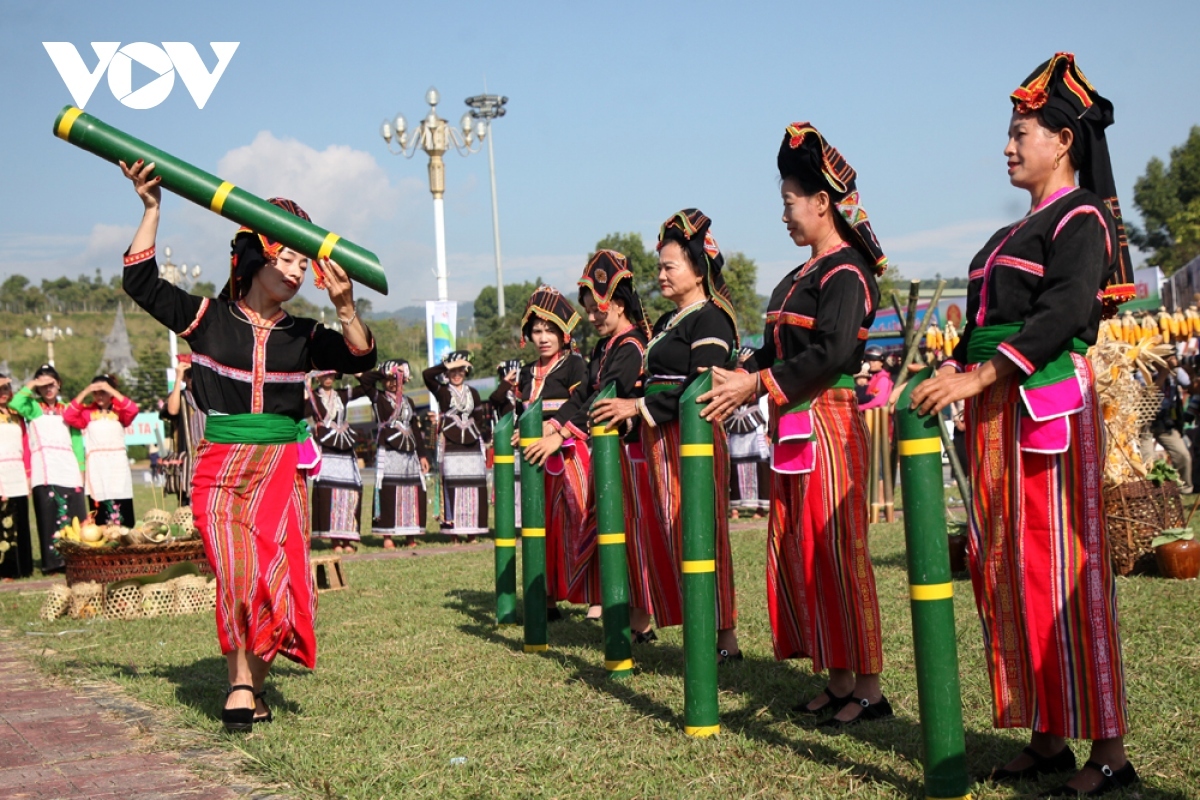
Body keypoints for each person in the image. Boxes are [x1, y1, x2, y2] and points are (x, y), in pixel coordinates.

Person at [911, 54, 1137, 795]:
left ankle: (1108, 754)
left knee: (1068, 569)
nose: (1008, 147)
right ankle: (1047, 735)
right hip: (997, 410)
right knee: (1009, 570)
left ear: (1063, 140)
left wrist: (979, 373)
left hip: (1043, 408)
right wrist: (956, 371)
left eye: (1020, 133)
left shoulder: (1082, 219)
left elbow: (1067, 313)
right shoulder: (1023, 227)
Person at [119, 157, 376, 732]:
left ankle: (249, 687)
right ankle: (240, 684)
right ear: (257, 255)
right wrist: (152, 207)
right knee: (236, 572)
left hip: (281, 469)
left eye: (303, 262)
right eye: (287, 256)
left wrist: (345, 308)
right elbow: (141, 281)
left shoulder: (306, 335)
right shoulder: (207, 319)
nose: (296, 269)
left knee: (271, 577)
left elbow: (363, 358)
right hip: (220, 467)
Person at [700, 123, 889, 728]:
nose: (783, 214)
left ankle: (869, 687)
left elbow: (833, 353)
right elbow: (772, 349)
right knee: (802, 550)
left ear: (822, 202)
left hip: (830, 422)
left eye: (789, 202)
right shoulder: (798, 278)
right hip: (794, 426)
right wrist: (743, 370)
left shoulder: (847, 275)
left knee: (840, 550)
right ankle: (836, 679)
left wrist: (757, 384)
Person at [593, 209, 741, 661]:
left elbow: (700, 387)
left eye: (669, 265)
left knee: (702, 529)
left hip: (692, 439)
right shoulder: (669, 323)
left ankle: (724, 638)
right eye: (658, 266)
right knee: (675, 528)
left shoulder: (710, 318)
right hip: (662, 438)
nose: (659, 274)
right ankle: (696, 625)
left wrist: (636, 407)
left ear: (698, 270)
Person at [492, 287, 594, 617]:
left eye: (550, 329)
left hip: (569, 454)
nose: (543, 337)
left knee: (579, 520)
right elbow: (509, 410)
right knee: (541, 525)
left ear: (564, 333)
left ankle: (596, 598)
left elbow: (583, 405)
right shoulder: (524, 373)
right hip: (536, 459)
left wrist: (550, 428)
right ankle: (547, 598)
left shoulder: (576, 365)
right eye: (537, 330)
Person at [10, 364, 86, 575]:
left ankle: (76, 560)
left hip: (68, 466)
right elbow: (16, 403)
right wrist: (33, 383)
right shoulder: (33, 407)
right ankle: (52, 563)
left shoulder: (67, 408)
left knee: (74, 515)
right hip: (45, 468)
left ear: (59, 384)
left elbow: (77, 440)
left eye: (51, 383)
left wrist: (81, 469)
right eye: (43, 385)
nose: (48, 389)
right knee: (48, 515)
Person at [424, 352, 490, 542]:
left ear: (466, 371)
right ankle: (453, 531)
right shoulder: (442, 391)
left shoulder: (474, 393)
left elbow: (478, 419)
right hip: (451, 443)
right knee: (452, 483)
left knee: (473, 484)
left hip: (471, 444)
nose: (456, 374)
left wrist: (475, 432)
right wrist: (447, 364)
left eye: (460, 370)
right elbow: (427, 375)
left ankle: (472, 531)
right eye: (453, 371)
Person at [366, 360, 429, 548]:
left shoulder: (409, 402)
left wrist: (423, 455)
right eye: (390, 379)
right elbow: (366, 381)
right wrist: (388, 371)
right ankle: (387, 536)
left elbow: (415, 429)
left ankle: (410, 535)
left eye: (398, 378)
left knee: (411, 491)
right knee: (389, 491)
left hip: (410, 453)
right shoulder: (379, 398)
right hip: (390, 452)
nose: (393, 382)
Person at [63, 374, 140, 526]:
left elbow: (133, 409)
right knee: (100, 510)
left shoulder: (120, 412)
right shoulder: (87, 413)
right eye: (96, 392)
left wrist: (111, 390)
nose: (99, 396)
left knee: (121, 505)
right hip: (97, 467)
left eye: (103, 392)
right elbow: (69, 416)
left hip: (117, 467)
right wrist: (85, 391)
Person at [307, 371, 370, 552]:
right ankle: (335, 541)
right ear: (318, 377)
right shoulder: (312, 397)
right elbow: (299, 410)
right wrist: (306, 386)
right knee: (329, 494)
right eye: (324, 375)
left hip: (345, 449)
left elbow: (367, 387)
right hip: (326, 451)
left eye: (331, 375)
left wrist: (357, 372)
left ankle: (347, 539)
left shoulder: (342, 395)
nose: (328, 378)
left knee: (350, 493)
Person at [726, 348, 770, 520]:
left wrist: (767, 428)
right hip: (735, 427)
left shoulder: (760, 381)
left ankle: (761, 507)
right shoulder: (731, 379)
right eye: (740, 361)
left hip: (756, 426)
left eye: (747, 361)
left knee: (761, 466)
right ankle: (735, 508)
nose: (743, 364)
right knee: (735, 466)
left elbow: (764, 402)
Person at [1140, 353, 1193, 493]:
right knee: (1148, 458)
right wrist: (1162, 373)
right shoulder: (1142, 371)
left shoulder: (1174, 371)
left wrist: (1177, 367)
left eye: (1171, 356)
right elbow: (1149, 395)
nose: (1169, 360)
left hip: (1165, 421)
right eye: (1166, 357)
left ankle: (1184, 488)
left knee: (1182, 454)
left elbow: (1188, 384)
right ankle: (1152, 492)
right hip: (1145, 420)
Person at [0, 374, 34, 580]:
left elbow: (25, 445)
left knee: (20, 520)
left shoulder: (16, 414)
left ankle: (24, 567)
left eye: (5, 389)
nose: (2, 393)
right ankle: (6, 569)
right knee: (3, 523)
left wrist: (28, 474)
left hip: (18, 472)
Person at [161, 355, 205, 504]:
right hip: (188, 459)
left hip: (209, 454)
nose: (193, 378)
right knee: (188, 503)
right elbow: (172, 411)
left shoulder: (211, 396)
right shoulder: (179, 396)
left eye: (196, 373)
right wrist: (178, 378)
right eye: (190, 375)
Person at [858, 347, 892, 411]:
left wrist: (859, 407)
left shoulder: (883, 379)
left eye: (874, 360)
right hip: (870, 415)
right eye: (869, 360)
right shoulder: (872, 377)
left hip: (877, 417)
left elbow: (878, 402)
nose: (871, 363)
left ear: (882, 362)